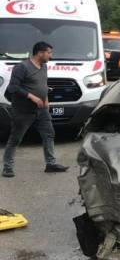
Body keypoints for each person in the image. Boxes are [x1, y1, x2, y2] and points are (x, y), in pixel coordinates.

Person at [2, 42, 68, 178]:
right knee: (16, 138)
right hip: (23, 110)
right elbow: (14, 87)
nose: (51, 55)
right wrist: (32, 97)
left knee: (49, 134)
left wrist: (46, 101)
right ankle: (7, 167)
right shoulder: (22, 67)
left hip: (42, 109)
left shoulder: (44, 66)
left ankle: (50, 164)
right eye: (49, 52)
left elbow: (43, 85)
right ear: (40, 52)